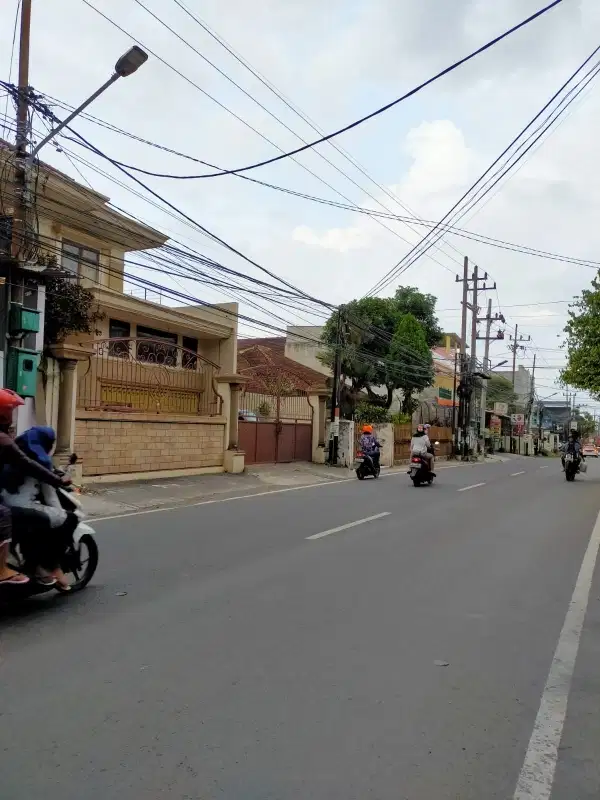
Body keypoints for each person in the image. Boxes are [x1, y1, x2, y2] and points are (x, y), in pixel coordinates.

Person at [0, 391, 70, 587]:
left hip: (5, 496)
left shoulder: (16, 442)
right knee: (57, 518)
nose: (13, 418)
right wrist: (57, 480)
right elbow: (28, 464)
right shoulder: (5, 441)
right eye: (11, 412)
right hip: (10, 504)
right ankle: (35, 565)